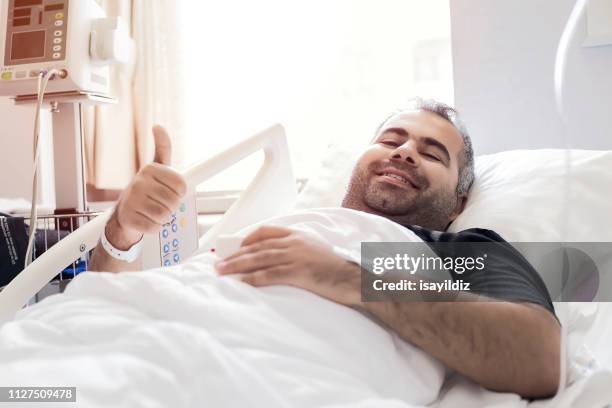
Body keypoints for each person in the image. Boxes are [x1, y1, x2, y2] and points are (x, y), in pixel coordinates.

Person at [89, 98, 560, 399]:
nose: (404, 152)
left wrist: (340, 275)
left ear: (459, 199)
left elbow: (538, 358)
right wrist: (123, 232)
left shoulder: (458, 250)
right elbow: (109, 307)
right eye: (390, 140)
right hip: (125, 353)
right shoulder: (283, 225)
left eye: (432, 153)